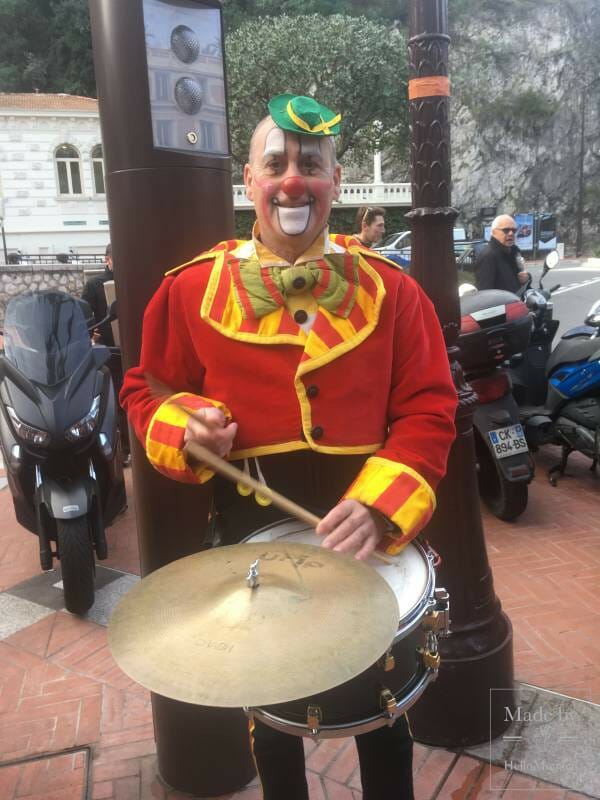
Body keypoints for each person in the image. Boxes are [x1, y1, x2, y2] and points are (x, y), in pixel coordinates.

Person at [121, 94, 457, 800]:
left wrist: (379, 506)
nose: (293, 181)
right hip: (250, 545)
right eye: (275, 164)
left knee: (383, 711)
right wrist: (183, 425)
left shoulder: (396, 295)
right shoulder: (187, 294)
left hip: (366, 541)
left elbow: (428, 408)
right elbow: (145, 391)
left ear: (336, 182)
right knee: (272, 722)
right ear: (249, 182)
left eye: (311, 164)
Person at [475, 215, 530, 292]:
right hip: (503, 303)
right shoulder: (488, 256)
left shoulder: (514, 250)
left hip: (518, 301)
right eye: (506, 230)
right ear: (494, 232)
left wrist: (527, 278)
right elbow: (485, 293)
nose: (511, 233)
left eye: (514, 230)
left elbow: (520, 275)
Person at [82, 243, 115, 345]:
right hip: (107, 345)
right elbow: (83, 316)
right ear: (107, 260)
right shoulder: (93, 284)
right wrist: (91, 333)